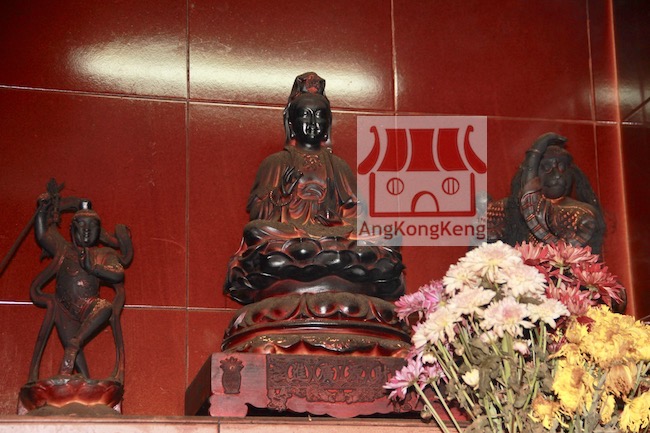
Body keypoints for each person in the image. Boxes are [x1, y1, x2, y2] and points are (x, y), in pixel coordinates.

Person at [29, 191, 131, 381]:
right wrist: (42, 211)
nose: (86, 230)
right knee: (72, 350)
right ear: (72, 228)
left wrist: (94, 268)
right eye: (81, 225)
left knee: (105, 307)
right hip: (63, 308)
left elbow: (117, 273)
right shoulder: (63, 249)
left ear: (99, 231)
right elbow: (43, 235)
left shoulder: (103, 254)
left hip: (89, 305)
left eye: (92, 226)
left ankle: (76, 343)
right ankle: (84, 379)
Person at [488, 133, 605, 254]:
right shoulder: (506, 208)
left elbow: (533, 210)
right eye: (546, 168)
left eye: (562, 167)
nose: (557, 175)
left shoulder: (581, 214)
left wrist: (535, 153)